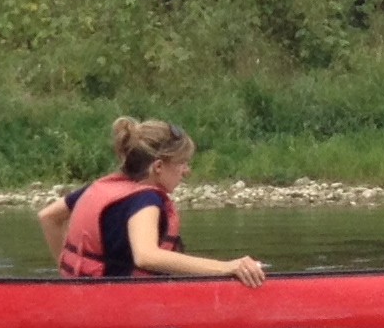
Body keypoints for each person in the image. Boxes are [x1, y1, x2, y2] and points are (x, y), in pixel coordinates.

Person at [38, 118, 269, 286]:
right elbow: (146, 256)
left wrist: (68, 280)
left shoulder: (101, 187)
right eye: (182, 163)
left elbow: (48, 217)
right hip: (119, 309)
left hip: (86, 299)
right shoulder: (145, 199)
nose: (186, 171)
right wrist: (227, 267)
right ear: (158, 167)